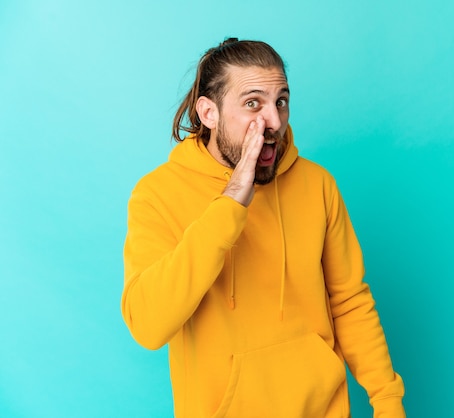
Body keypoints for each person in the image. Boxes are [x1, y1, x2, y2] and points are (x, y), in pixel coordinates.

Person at [121, 37, 405, 418]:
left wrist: (387, 401)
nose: (273, 121)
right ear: (209, 113)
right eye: (253, 103)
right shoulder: (158, 194)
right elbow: (148, 325)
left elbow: (349, 301)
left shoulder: (317, 185)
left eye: (281, 101)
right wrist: (231, 203)